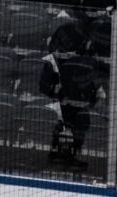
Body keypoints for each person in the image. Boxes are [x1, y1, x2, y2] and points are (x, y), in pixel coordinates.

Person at [40, 19, 99, 170]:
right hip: (66, 86)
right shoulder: (79, 42)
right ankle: (69, 155)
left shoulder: (65, 31)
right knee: (79, 122)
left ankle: (57, 151)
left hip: (59, 83)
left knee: (65, 120)